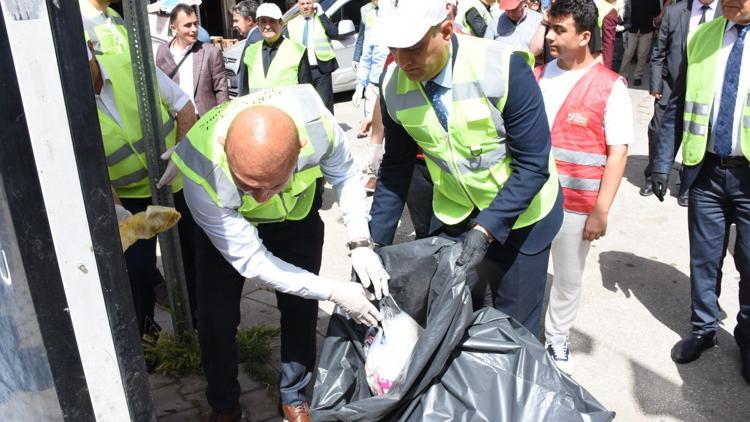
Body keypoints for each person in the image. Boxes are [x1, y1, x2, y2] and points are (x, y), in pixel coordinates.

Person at [170, 84, 387, 422]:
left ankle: (294, 394)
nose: (260, 198)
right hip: (229, 229)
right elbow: (254, 263)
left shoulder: (317, 127)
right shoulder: (203, 173)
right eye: (247, 185)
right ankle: (224, 404)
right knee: (214, 318)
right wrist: (334, 290)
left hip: (296, 221)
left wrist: (360, 241)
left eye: (272, 184)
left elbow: (344, 173)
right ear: (227, 151)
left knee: (300, 309)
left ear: (299, 151)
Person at [370, 0, 563, 336]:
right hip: (457, 213)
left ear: (445, 31)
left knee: (513, 331)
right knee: (445, 316)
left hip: (523, 216)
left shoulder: (501, 68)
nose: (402, 62)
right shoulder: (393, 85)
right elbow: (396, 169)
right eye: (394, 49)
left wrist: (486, 228)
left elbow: (533, 164)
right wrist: (371, 246)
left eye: (413, 48)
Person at [652, 0, 750, 386]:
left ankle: (746, 335)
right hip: (707, 172)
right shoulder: (705, 35)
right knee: (704, 258)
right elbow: (678, 101)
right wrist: (662, 161)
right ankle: (703, 328)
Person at [536, 0, 631, 375]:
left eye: (560, 30)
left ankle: (556, 338)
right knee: (525, 272)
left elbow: (618, 152)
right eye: (549, 28)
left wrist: (601, 209)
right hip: (533, 200)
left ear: (586, 36)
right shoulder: (539, 76)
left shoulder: (610, 87)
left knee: (568, 277)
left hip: (577, 206)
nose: (549, 37)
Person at [86, 45, 199, 339]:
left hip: (174, 181)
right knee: (135, 270)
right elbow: (89, 162)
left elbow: (185, 107)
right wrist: (118, 209)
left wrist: (180, 153)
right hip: (129, 197)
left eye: (85, 65)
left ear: (92, 52)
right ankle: (146, 337)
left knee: (194, 256)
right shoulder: (67, 98)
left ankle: (201, 329)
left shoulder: (130, 65)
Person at [644, 0, 721, 205]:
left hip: (704, 94)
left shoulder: (726, 12)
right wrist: (656, 85)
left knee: (697, 136)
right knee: (658, 131)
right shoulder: (675, 12)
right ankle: (653, 174)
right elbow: (659, 52)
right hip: (669, 89)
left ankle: (688, 182)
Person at [156, 4, 229, 118]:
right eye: (188, 25)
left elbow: (222, 90)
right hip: (174, 121)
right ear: (174, 28)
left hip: (203, 121)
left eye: (195, 23)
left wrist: (222, 120)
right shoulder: (162, 52)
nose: (194, 29)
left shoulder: (211, 52)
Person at [240, 3, 312, 94]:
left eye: (272, 21)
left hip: (286, 108)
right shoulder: (250, 51)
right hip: (258, 107)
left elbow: (306, 91)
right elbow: (244, 90)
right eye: (263, 21)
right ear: (258, 24)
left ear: (281, 23)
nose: (267, 26)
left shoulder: (298, 50)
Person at [286, 0, 339, 113]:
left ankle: (329, 130)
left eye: (308, 3)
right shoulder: (291, 24)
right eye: (302, 4)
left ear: (314, 4)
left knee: (325, 106)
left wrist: (321, 13)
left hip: (321, 70)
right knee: (306, 107)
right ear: (298, 6)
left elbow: (334, 33)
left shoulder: (322, 18)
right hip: (302, 71)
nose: (305, 7)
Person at [618, 0, 661, 86]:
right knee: (628, 53)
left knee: (642, 55)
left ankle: (638, 76)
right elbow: (626, 10)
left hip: (647, 29)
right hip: (632, 29)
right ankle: (623, 74)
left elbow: (657, 15)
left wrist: (657, 29)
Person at [233, 1, 263, 97]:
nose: (234, 25)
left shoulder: (254, 41)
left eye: (236, 21)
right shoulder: (255, 38)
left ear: (249, 20)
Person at [353, 0, 380, 72]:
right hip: (370, 60)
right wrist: (356, 58)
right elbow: (361, 36)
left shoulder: (392, 8)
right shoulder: (365, 9)